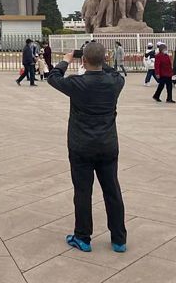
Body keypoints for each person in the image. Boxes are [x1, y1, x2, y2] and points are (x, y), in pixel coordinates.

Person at [47, 42, 127, 254]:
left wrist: (66, 60)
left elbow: (53, 77)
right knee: (112, 191)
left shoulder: (77, 83)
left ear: (83, 61)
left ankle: (83, 237)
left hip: (81, 145)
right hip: (108, 145)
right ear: (104, 60)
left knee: (83, 192)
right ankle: (119, 239)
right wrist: (103, 62)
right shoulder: (115, 82)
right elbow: (114, 72)